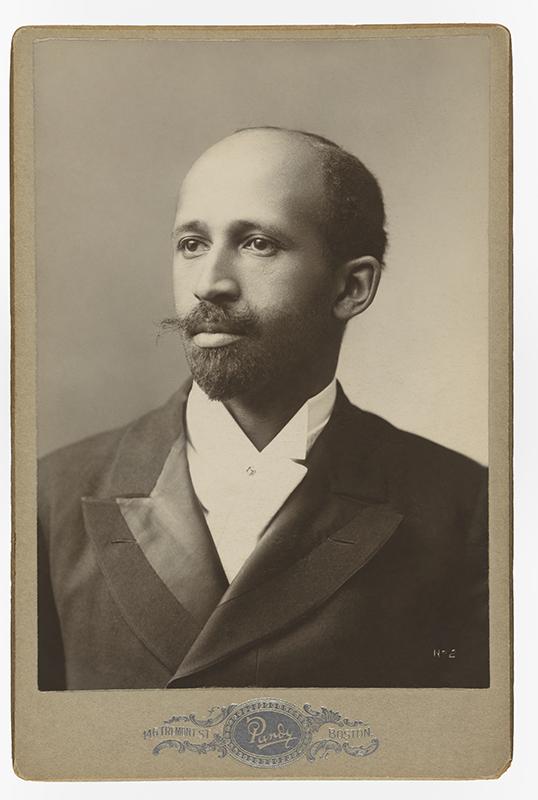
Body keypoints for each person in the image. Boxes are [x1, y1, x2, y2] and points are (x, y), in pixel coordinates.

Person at [38, 127, 489, 691]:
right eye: (191, 244)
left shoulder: (466, 508)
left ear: (352, 287)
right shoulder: (49, 496)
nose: (209, 284)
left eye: (258, 244)